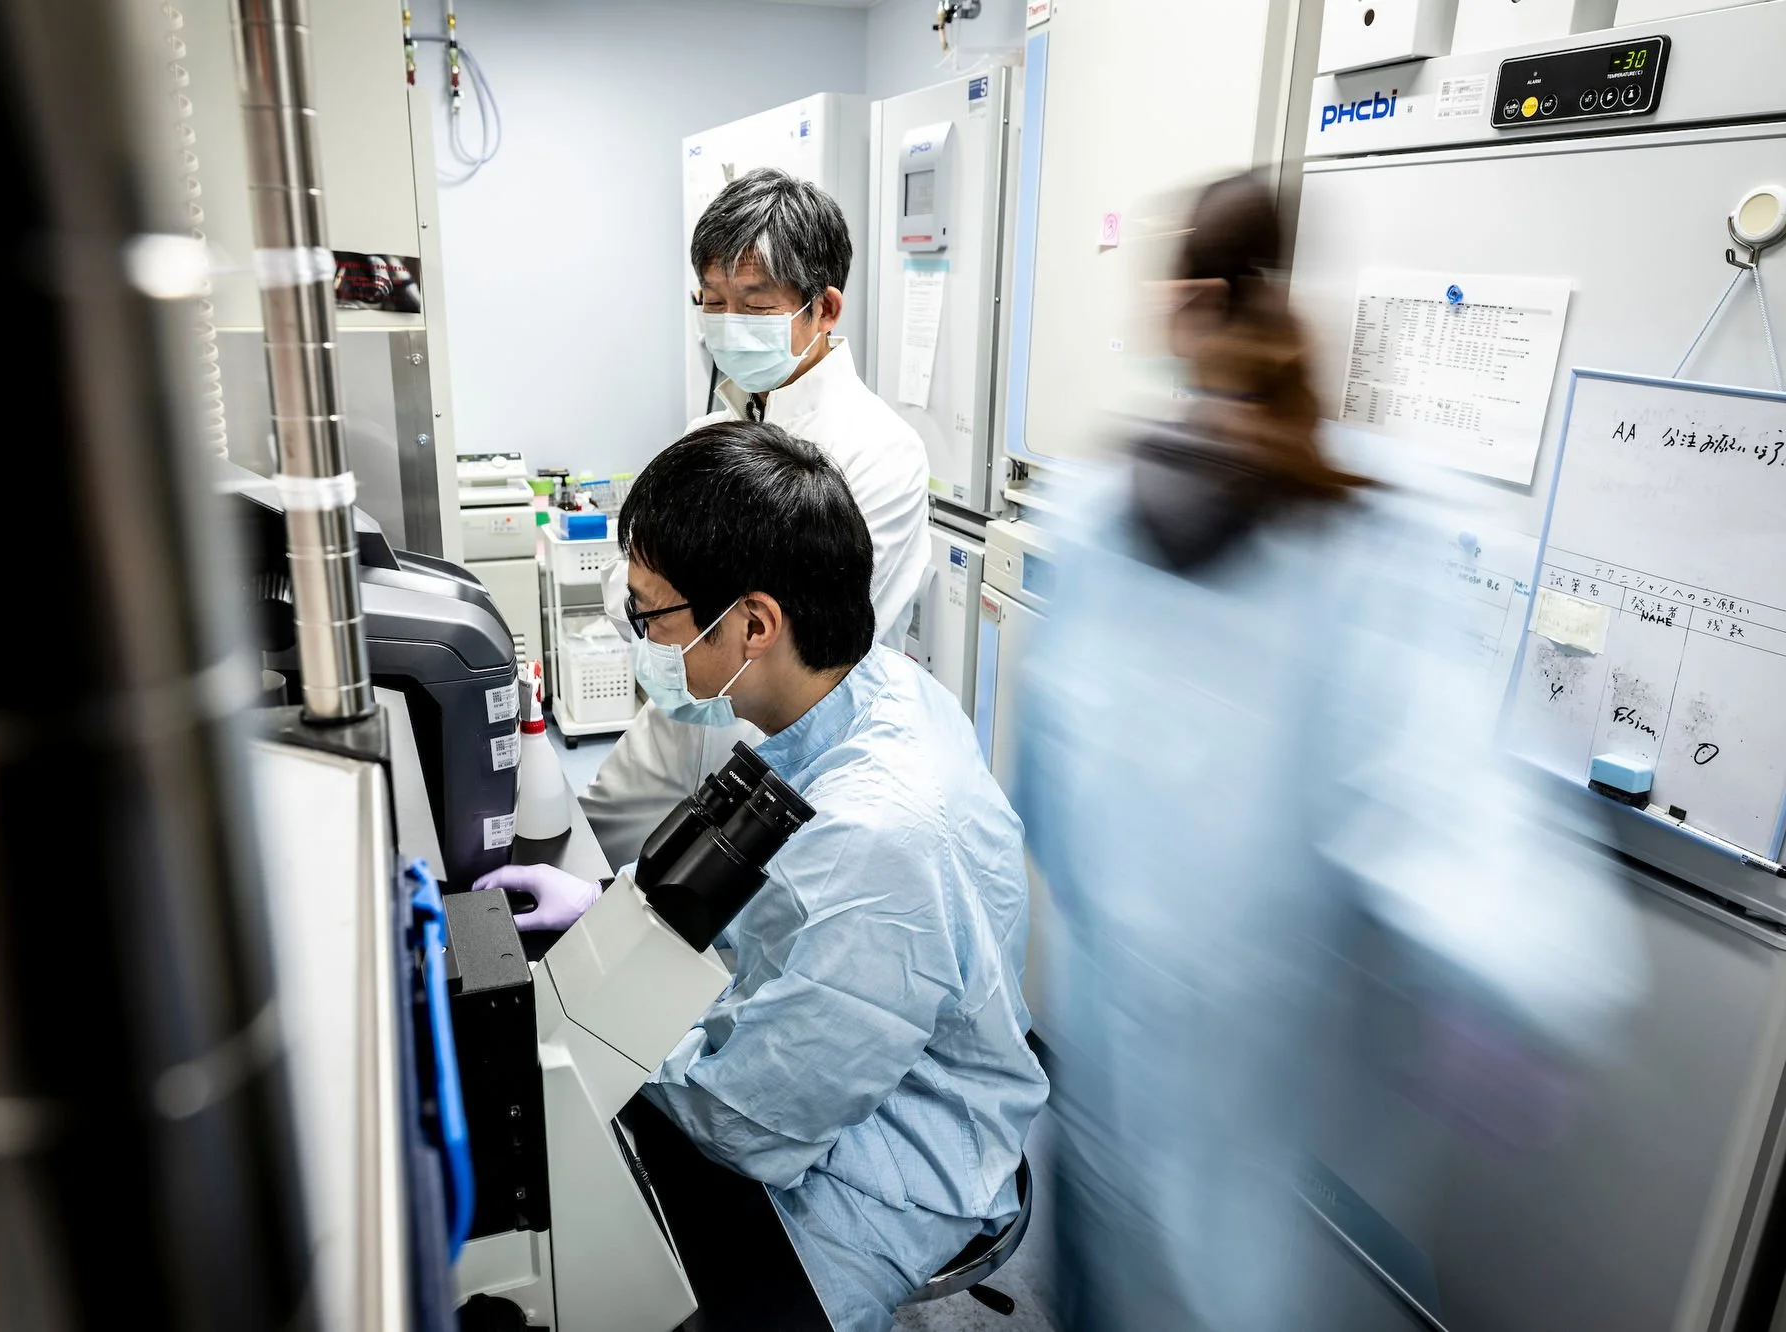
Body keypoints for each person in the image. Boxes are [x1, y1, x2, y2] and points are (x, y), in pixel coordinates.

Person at [1014, 174, 1643, 1330]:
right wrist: (1525, 991)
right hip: (1269, 1079)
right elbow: (1440, 816)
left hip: (1122, 1045)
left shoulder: (1101, 510)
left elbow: (1040, 797)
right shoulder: (1371, 518)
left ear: (1182, 301)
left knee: (1126, 1274)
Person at [480, 421, 1044, 1332]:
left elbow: (751, 1127)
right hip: (813, 1062)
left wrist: (604, 1029)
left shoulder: (881, 835)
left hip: (886, 1168)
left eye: (649, 616)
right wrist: (600, 908)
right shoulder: (855, 693)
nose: (639, 639)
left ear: (753, 622)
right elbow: (764, 923)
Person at [579, 167, 931, 870]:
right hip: (673, 730)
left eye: (752, 304)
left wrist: (666, 630)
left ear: (825, 309)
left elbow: (801, 651)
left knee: (715, 946)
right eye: (710, 302)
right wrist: (669, 630)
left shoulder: (879, 453)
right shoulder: (710, 426)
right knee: (583, 870)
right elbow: (640, 598)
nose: (724, 324)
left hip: (774, 766)